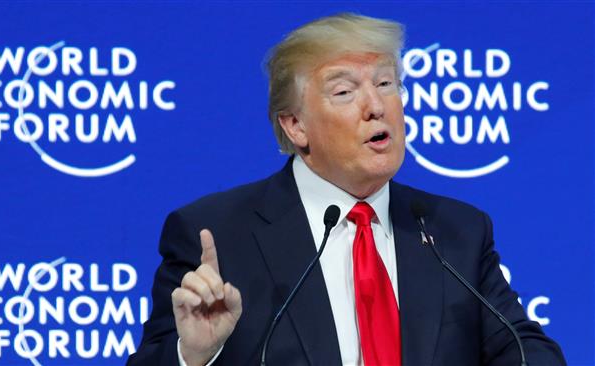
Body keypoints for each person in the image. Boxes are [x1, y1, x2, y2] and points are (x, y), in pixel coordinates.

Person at [127, 13, 566, 366]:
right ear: (295, 125)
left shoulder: (456, 231)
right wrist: (194, 356)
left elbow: (527, 351)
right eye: (344, 91)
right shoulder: (218, 233)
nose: (376, 106)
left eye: (385, 83)